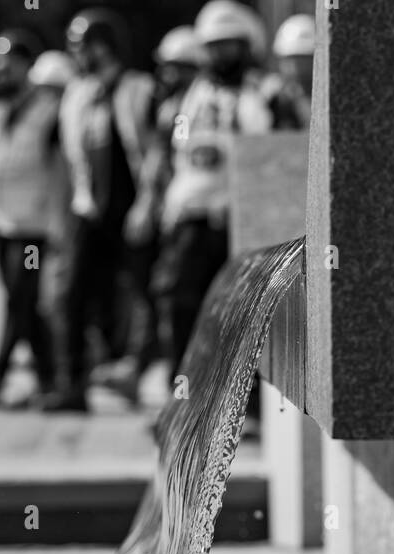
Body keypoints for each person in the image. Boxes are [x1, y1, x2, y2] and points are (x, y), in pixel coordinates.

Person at [156, 1, 272, 380]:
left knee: (241, 310)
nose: (221, 53)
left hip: (239, 220)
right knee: (180, 304)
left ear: (246, 45)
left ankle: (245, 403)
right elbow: (180, 147)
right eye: (213, 45)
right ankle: (182, 393)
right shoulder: (191, 97)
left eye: (229, 44)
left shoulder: (263, 92)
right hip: (193, 215)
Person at [93, 24, 205, 402]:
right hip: (171, 217)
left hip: (202, 219)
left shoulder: (205, 106)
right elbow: (159, 162)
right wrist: (146, 205)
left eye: (181, 67)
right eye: (167, 66)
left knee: (176, 298)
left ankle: (157, 375)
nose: (171, 75)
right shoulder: (173, 109)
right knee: (162, 294)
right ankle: (157, 377)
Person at [53, 8, 155, 413]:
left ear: (102, 47)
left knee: (145, 294)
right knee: (71, 294)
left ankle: (136, 371)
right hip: (89, 210)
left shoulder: (138, 89)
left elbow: (153, 150)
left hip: (131, 209)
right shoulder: (77, 95)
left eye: (81, 47)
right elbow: (71, 157)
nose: (77, 56)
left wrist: (148, 203)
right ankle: (71, 384)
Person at [0, 33, 75, 409]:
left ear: (27, 66)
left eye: (7, 65)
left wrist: (62, 221)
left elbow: (64, 170)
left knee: (19, 297)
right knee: (23, 303)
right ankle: (49, 380)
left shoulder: (50, 111)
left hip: (33, 228)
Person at [266, 14, 316, 130]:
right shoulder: (270, 100)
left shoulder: (333, 100)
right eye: (291, 60)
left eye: (304, 60)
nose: (296, 69)